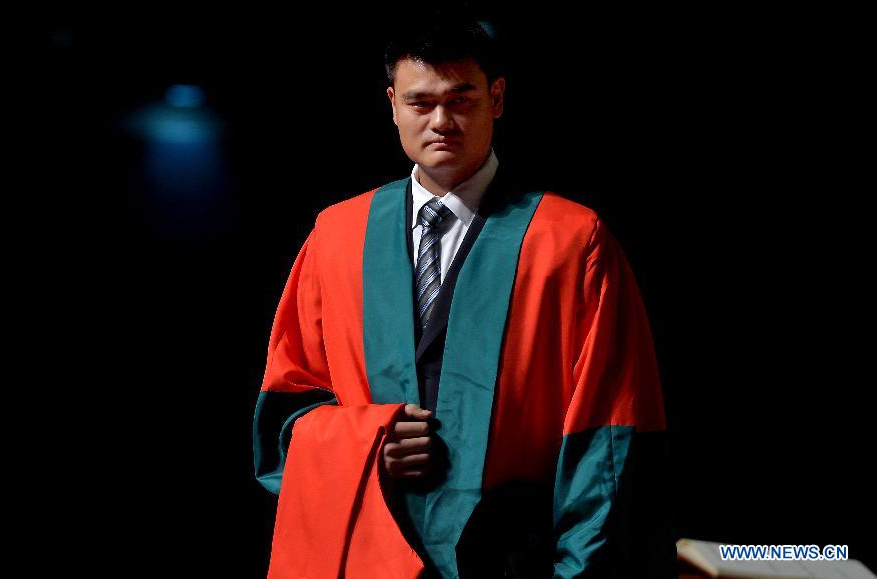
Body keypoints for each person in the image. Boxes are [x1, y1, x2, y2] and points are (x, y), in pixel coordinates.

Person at [252, 13, 676, 579]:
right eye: (420, 102)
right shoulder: (336, 236)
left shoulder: (571, 241)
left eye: (461, 99)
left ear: (496, 99)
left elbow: (610, 433)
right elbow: (286, 409)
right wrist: (366, 446)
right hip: (368, 554)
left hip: (515, 560)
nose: (441, 121)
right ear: (393, 105)